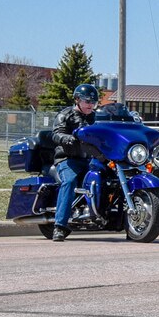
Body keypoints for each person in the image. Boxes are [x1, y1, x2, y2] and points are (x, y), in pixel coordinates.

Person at [49, 84, 101, 242]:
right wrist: (66, 138)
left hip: (90, 159)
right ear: (77, 100)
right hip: (67, 159)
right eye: (87, 101)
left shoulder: (95, 117)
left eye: (93, 102)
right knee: (69, 181)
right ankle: (59, 226)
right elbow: (56, 134)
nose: (90, 105)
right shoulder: (66, 114)